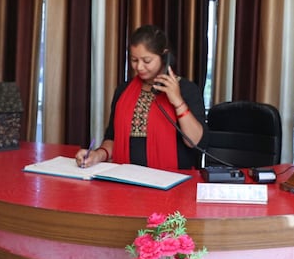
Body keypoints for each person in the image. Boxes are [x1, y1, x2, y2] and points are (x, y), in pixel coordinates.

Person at [75, 25, 207, 170]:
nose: (139, 67)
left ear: (165, 57)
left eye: (147, 61)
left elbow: (194, 141)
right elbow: (112, 138)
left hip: (172, 178)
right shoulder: (123, 91)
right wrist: (97, 155)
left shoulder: (187, 90)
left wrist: (178, 101)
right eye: (134, 60)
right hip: (126, 175)